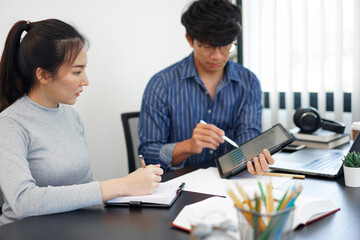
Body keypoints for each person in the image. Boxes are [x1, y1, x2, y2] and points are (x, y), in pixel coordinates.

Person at [0, 19, 163, 226]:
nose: (85, 81)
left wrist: (129, 189)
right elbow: (23, 201)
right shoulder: (10, 124)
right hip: (25, 232)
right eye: (77, 72)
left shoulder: (72, 116)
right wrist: (121, 185)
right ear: (42, 75)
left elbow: (82, 189)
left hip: (75, 227)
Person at [138, 0, 274, 173]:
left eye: (225, 47)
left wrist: (254, 157)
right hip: (180, 188)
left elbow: (248, 139)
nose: (217, 56)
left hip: (232, 183)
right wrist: (188, 146)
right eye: (208, 47)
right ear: (190, 39)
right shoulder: (162, 85)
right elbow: (147, 154)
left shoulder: (248, 82)